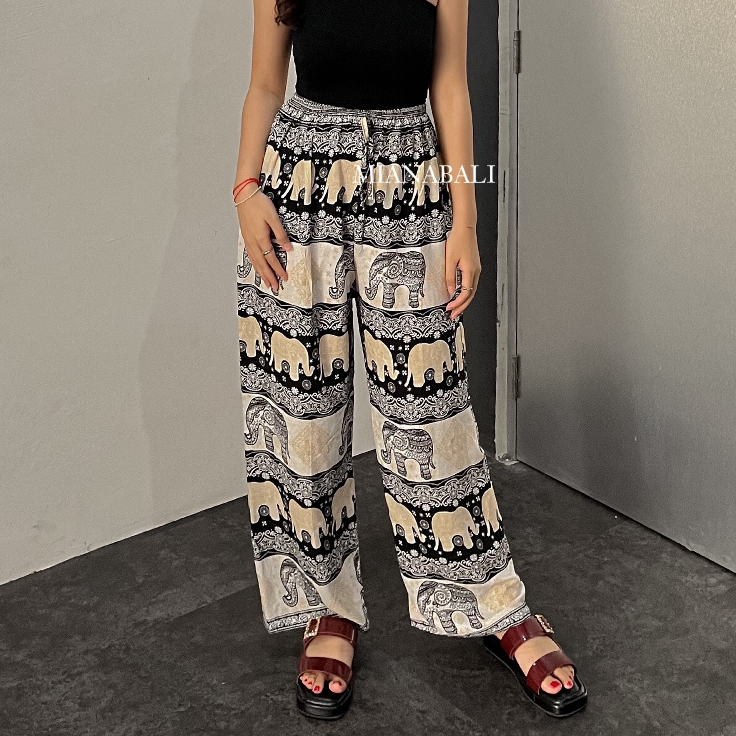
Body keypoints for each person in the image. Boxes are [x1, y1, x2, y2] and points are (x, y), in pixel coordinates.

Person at [233, 0, 588, 720]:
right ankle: (327, 607)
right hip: (297, 187)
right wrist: (244, 187)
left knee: (432, 413)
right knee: (301, 415)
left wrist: (466, 221)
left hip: (410, 181)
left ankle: (494, 602)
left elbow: (449, 86)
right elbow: (266, 82)